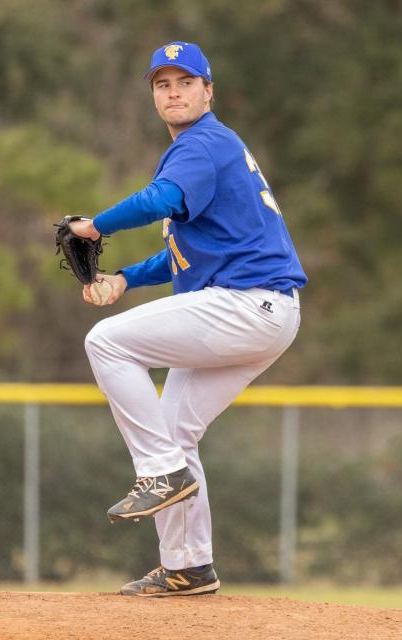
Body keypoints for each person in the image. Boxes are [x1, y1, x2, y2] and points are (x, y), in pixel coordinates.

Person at [69, 41, 306, 597]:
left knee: (106, 342)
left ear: (208, 91)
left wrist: (97, 225)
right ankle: (188, 565)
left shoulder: (201, 144)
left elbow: (161, 199)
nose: (174, 92)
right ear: (154, 96)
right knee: (175, 431)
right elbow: (181, 252)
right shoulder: (210, 150)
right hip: (264, 311)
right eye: (162, 84)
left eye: (185, 82)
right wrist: (125, 277)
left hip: (246, 303)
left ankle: (159, 471)